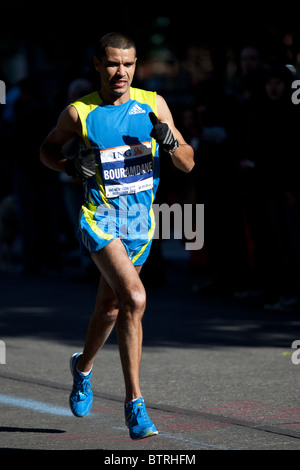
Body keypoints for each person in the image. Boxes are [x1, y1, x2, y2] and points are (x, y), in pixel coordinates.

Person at [40, 32, 194, 440]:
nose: (121, 72)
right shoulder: (79, 113)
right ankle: (135, 405)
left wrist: (171, 140)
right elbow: (46, 151)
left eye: (127, 64)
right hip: (99, 219)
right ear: (97, 65)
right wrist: (72, 166)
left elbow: (188, 163)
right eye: (112, 63)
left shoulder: (153, 104)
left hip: (139, 226)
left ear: (136, 64)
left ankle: (82, 367)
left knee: (110, 308)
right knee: (136, 297)